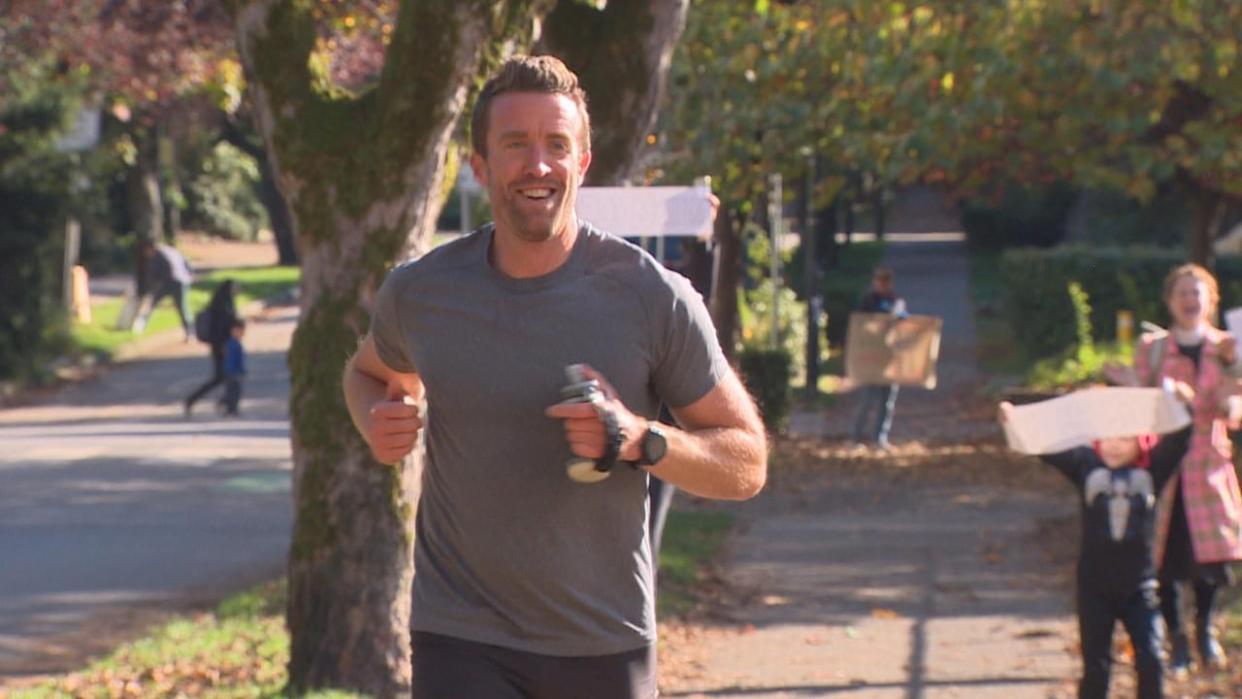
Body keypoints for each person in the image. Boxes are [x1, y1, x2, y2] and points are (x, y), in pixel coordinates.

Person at [342, 55, 767, 699]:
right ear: (480, 166)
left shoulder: (652, 297)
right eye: (515, 145)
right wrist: (374, 420)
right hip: (460, 635)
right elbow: (367, 372)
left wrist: (638, 438)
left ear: (583, 163)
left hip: (602, 638)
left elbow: (746, 462)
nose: (538, 165)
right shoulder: (423, 292)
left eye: (556, 145)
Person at [999, 397, 1193, 699]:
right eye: (1108, 437)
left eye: (1124, 437)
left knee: (1151, 658)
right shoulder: (1086, 466)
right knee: (1096, 666)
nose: (1114, 445)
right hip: (1094, 587)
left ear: (1141, 440)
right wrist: (1015, 420)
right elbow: (1048, 447)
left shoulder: (1154, 469)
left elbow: (1181, 437)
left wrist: (1184, 402)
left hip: (1140, 586)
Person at [1128, 264, 1242, 675]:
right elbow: (1141, 402)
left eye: (1198, 293)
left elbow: (1238, 403)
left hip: (1210, 465)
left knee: (1210, 560)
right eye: (1182, 294)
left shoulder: (1228, 347)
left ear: (1211, 299)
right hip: (1167, 467)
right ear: (1170, 301)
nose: (1190, 301)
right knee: (1166, 559)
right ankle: (1177, 640)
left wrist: (1232, 404)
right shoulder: (1154, 348)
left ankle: (1204, 630)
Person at [851, 266, 908, 449]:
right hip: (872, 360)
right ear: (875, 281)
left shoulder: (896, 301)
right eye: (880, 280)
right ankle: (857, 437)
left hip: (890, 360)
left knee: (887, 402)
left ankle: (880, 438)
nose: (883, 284)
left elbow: (904, 321)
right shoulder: (867, 302)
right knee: (867, 401)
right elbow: (860, 325)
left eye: (886, 280)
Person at [185, 279, 239, 417]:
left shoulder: (228, 303)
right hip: (221, 346)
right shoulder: (221, 307)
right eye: (235, 288)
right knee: (225, 377)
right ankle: (226, 404)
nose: (237, 291)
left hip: (226, 345)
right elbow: (221, 329)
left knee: (225, 377)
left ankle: (227, 404)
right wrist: (224, 346)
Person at [133, 240, 194, 339]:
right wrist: (190, 275)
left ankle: (139, 327)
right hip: (181, 281)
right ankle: (190, 332)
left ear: (150, 249)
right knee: (182, 307)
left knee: (152, 303)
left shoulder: (157, 256)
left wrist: (150, 287)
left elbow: (154, 273)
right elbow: (187, 262)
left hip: (170, 282)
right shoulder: (171, 250)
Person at [218, 319, 246, 416]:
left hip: (235, 371)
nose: (240, 334)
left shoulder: (236, 344)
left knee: (235, 391)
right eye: (238, 331)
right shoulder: (232, 344)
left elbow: (239, 360)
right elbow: (231, 359)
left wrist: (242, 370)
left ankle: (231, 407)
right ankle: (229, 405)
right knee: (232, 390)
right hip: (231, 371)